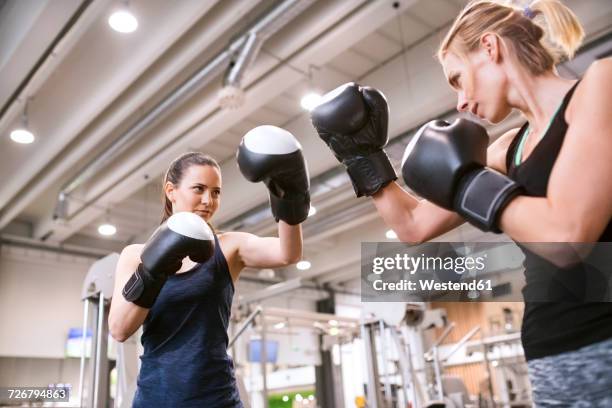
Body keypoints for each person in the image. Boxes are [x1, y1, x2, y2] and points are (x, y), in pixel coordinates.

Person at [310, 0, 612, 405]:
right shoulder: (508, 149)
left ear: (490, 48)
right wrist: (361, 156)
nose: (460, 102)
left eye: (457, 79)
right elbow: (412, 225)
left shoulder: (600, 86)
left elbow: (567, 235)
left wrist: (467, 183)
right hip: (549, 357)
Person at [108, 125, 310, 407]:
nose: (208, 200)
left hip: (217, 398)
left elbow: (288, 254)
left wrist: (289, 194)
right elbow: (119, 330)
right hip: (156, 398)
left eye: (216, 192)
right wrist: (153, 270)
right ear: (171, 191)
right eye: (199, 189)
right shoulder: (135, 255)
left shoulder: (228, 247)